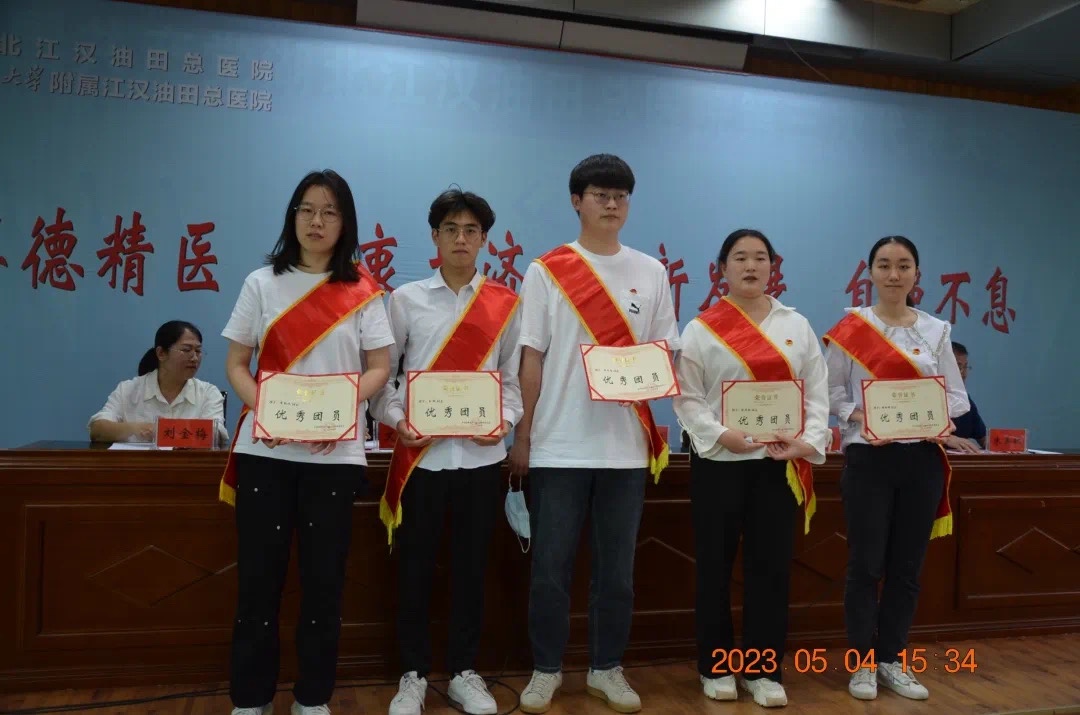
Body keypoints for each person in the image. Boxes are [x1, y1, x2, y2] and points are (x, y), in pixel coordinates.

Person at [509, 154, 680, 714]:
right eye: (600, 194)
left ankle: (607, 667)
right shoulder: (546, 271)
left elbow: (664, 352)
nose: (611, 204)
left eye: (621, 196)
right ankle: (546, 669)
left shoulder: (650, 273)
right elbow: (531, 358)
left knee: (617, 574)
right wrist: (524, 435)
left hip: (625, 449)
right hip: (558, 445)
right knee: (550, 570)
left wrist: (650, 373)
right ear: (576, 201)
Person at [219, 170, 394, 715]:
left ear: (346, 223)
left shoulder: (362, 290)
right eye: (307, 210)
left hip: (334, 458)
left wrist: (335, 412)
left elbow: (380, 367)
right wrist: (269, 410)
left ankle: (312, 698)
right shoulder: (261, 283)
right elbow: (236, 364)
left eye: (330, 212)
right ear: (292, 216)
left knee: (323, 585)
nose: (316, 221)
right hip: (266, 453)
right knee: (258, 582)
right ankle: (250, 699)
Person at [371, 188, 523, 715]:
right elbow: (384, 379)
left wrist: (504, 422)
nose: (461, 238)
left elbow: (511, 382)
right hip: (423, 461)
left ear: (484, 240)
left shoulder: (506, 303)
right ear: (435, 237)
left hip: (480, 462)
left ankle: (463, 671)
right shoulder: (406, 300)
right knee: (413, 570)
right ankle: (412, 674)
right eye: (451, 229)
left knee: (471, 570)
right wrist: (398, 421)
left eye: (471, 230)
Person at [673, 229, 830, 708]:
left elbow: (816, 393)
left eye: (760, 258)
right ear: (722, 268)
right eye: (740, 257)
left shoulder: (796, 325)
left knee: (770, 570)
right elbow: (687, 397)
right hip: (719, 462)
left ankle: (763, 671)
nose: (751, 266)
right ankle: (717, 666)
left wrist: (805, 442)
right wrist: (721, 434)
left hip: (776, 465)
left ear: (772, 267)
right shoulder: (701, 329)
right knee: (714, 569)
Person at [823, 236, 969, 703]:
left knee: (907, 567)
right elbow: (830, 393)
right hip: (868, 458)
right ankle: (862, 664)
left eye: (903, 265)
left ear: (916, 274)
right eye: (884, 265)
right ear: (870, 273)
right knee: (865, 565)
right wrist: (864, 415)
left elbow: (957, 398)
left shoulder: (936, 331)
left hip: (921, 459)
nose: (893, 274)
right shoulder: (851, 328)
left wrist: (936, 416)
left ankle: (891, 659)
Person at [88, 320, 227, 444]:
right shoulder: (128, 390)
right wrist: (137, 428)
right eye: (186, 350)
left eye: (198, 351)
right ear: (161, 353)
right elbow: (97, 430)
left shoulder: (208, 393)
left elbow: (217, 435)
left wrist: (162, 431)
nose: (195, 358)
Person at [948, 342, 986, 451]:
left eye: (965, 367)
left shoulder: (965, 400)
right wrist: (946, 438)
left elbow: (983, 438)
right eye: (958, 367)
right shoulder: (926, 399)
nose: (964, 373)